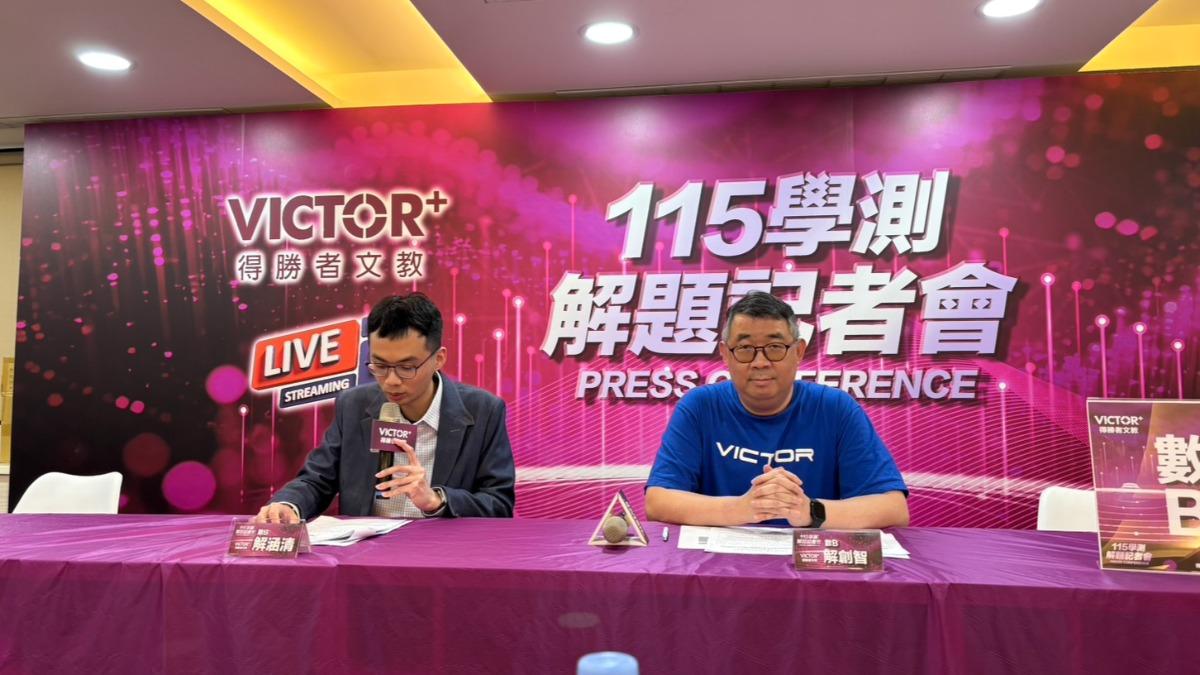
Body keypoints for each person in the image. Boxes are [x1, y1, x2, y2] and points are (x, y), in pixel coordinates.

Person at [645, 291, 908, 528]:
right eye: (745, 348)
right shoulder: (700, 407)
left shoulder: (836, 409)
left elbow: (893, 508)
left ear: (799, 351)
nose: (760, 362)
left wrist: (809, 511)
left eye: (775, 348)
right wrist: (744, 508)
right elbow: (658, 501)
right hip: (718, 562)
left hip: (812, 563)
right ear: (725, 354)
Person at [256, 293, 515, 523]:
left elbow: (499, 504)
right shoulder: (353, 405)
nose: (391, 381)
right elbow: (317, 480)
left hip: (440, 552)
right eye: (379, 366)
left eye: (406, 367)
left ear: (439, 359)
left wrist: (437, 500)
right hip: (367, 552)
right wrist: (287, 504)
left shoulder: (483, 411)